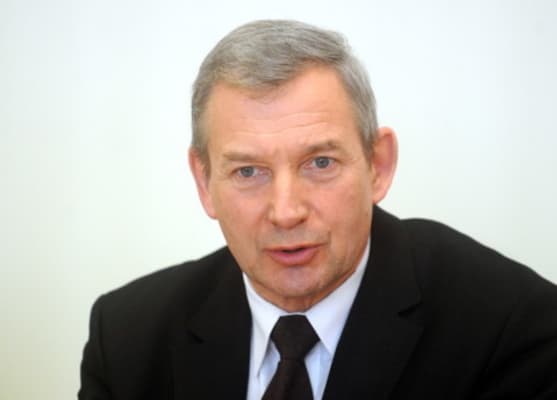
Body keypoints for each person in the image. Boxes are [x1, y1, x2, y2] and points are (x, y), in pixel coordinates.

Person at [79, 20, 557, 399]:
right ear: (204, 182)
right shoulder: (126, 337)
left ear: (378, 165)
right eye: (248, 171)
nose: (286, 212)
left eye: (320, 163)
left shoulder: (511, 327)